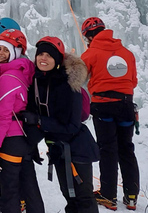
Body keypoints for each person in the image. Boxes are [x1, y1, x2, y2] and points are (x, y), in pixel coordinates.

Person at [21, 36, 99, 213]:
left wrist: (40, 121)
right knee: (70, 197)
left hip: (78, 148)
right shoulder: (36, 81)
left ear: (57, 59)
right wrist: (31, 144)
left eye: (49, 55)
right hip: (58, 148)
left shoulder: (69, 85)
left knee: (83, 198)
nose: (43, 58)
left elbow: (72, 126)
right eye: (40, 54)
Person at [80, 17, 139, 211]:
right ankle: (131, 196)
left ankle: (108, 195)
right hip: (126, 105)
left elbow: (78, 77)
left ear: (89, 36)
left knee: (108, 149)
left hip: (103, 105)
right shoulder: (127, 53)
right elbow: (133, 81)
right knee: (127, 149)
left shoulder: (91, 53)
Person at [0, 28, 44, 213]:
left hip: (10, 140)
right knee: (29, 189)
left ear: (17, 51)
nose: (1, 54)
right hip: (24, 139)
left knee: (9, 191)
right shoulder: (23, 73)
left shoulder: (8, 78)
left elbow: (2, 116)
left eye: (6, 49)